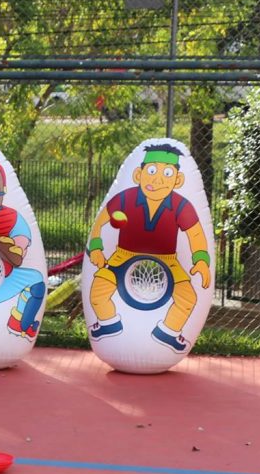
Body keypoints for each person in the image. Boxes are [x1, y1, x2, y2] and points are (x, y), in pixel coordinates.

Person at [86, 143, 211, 352]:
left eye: (167, 173)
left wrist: (201, 260)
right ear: (139, 174)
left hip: (168, 260)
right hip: (123, 256)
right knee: (98, 292)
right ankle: (108, 324)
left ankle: (168, 332)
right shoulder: (126, 198)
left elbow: (195, 234)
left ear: (177, 180)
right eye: (152, 171)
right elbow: (100, 223)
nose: (158, 179)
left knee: (188, 298)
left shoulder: (181, 206)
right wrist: (97, 248)